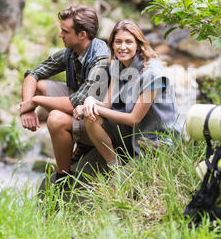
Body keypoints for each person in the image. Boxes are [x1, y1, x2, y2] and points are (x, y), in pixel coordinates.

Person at [19, 5, 110, 184]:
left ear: (82, 34)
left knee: (55, 119)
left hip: (101, 121)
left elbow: (75, 102)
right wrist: (26, 107)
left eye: (65, 31)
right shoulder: (72, 51)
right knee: (41, 85)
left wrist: (35, 101)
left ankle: (63, 176)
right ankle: (78, 147)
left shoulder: (101, 60)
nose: (60, 35)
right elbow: (33, 74)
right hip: (80, 107)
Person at [74, 20, 181, 170]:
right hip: (135, 136)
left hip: (156, 142)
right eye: (118, 42)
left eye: (128, 42)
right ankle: (114, 166)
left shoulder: (152, 74)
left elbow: (133, 119)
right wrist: (89, 101)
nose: (122, 47)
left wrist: (93, 108)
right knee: (90, 117)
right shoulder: (117, 65)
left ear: (138, 44)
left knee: (118, 189)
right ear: (112, 44)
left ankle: (129, 169)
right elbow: (106, 104)